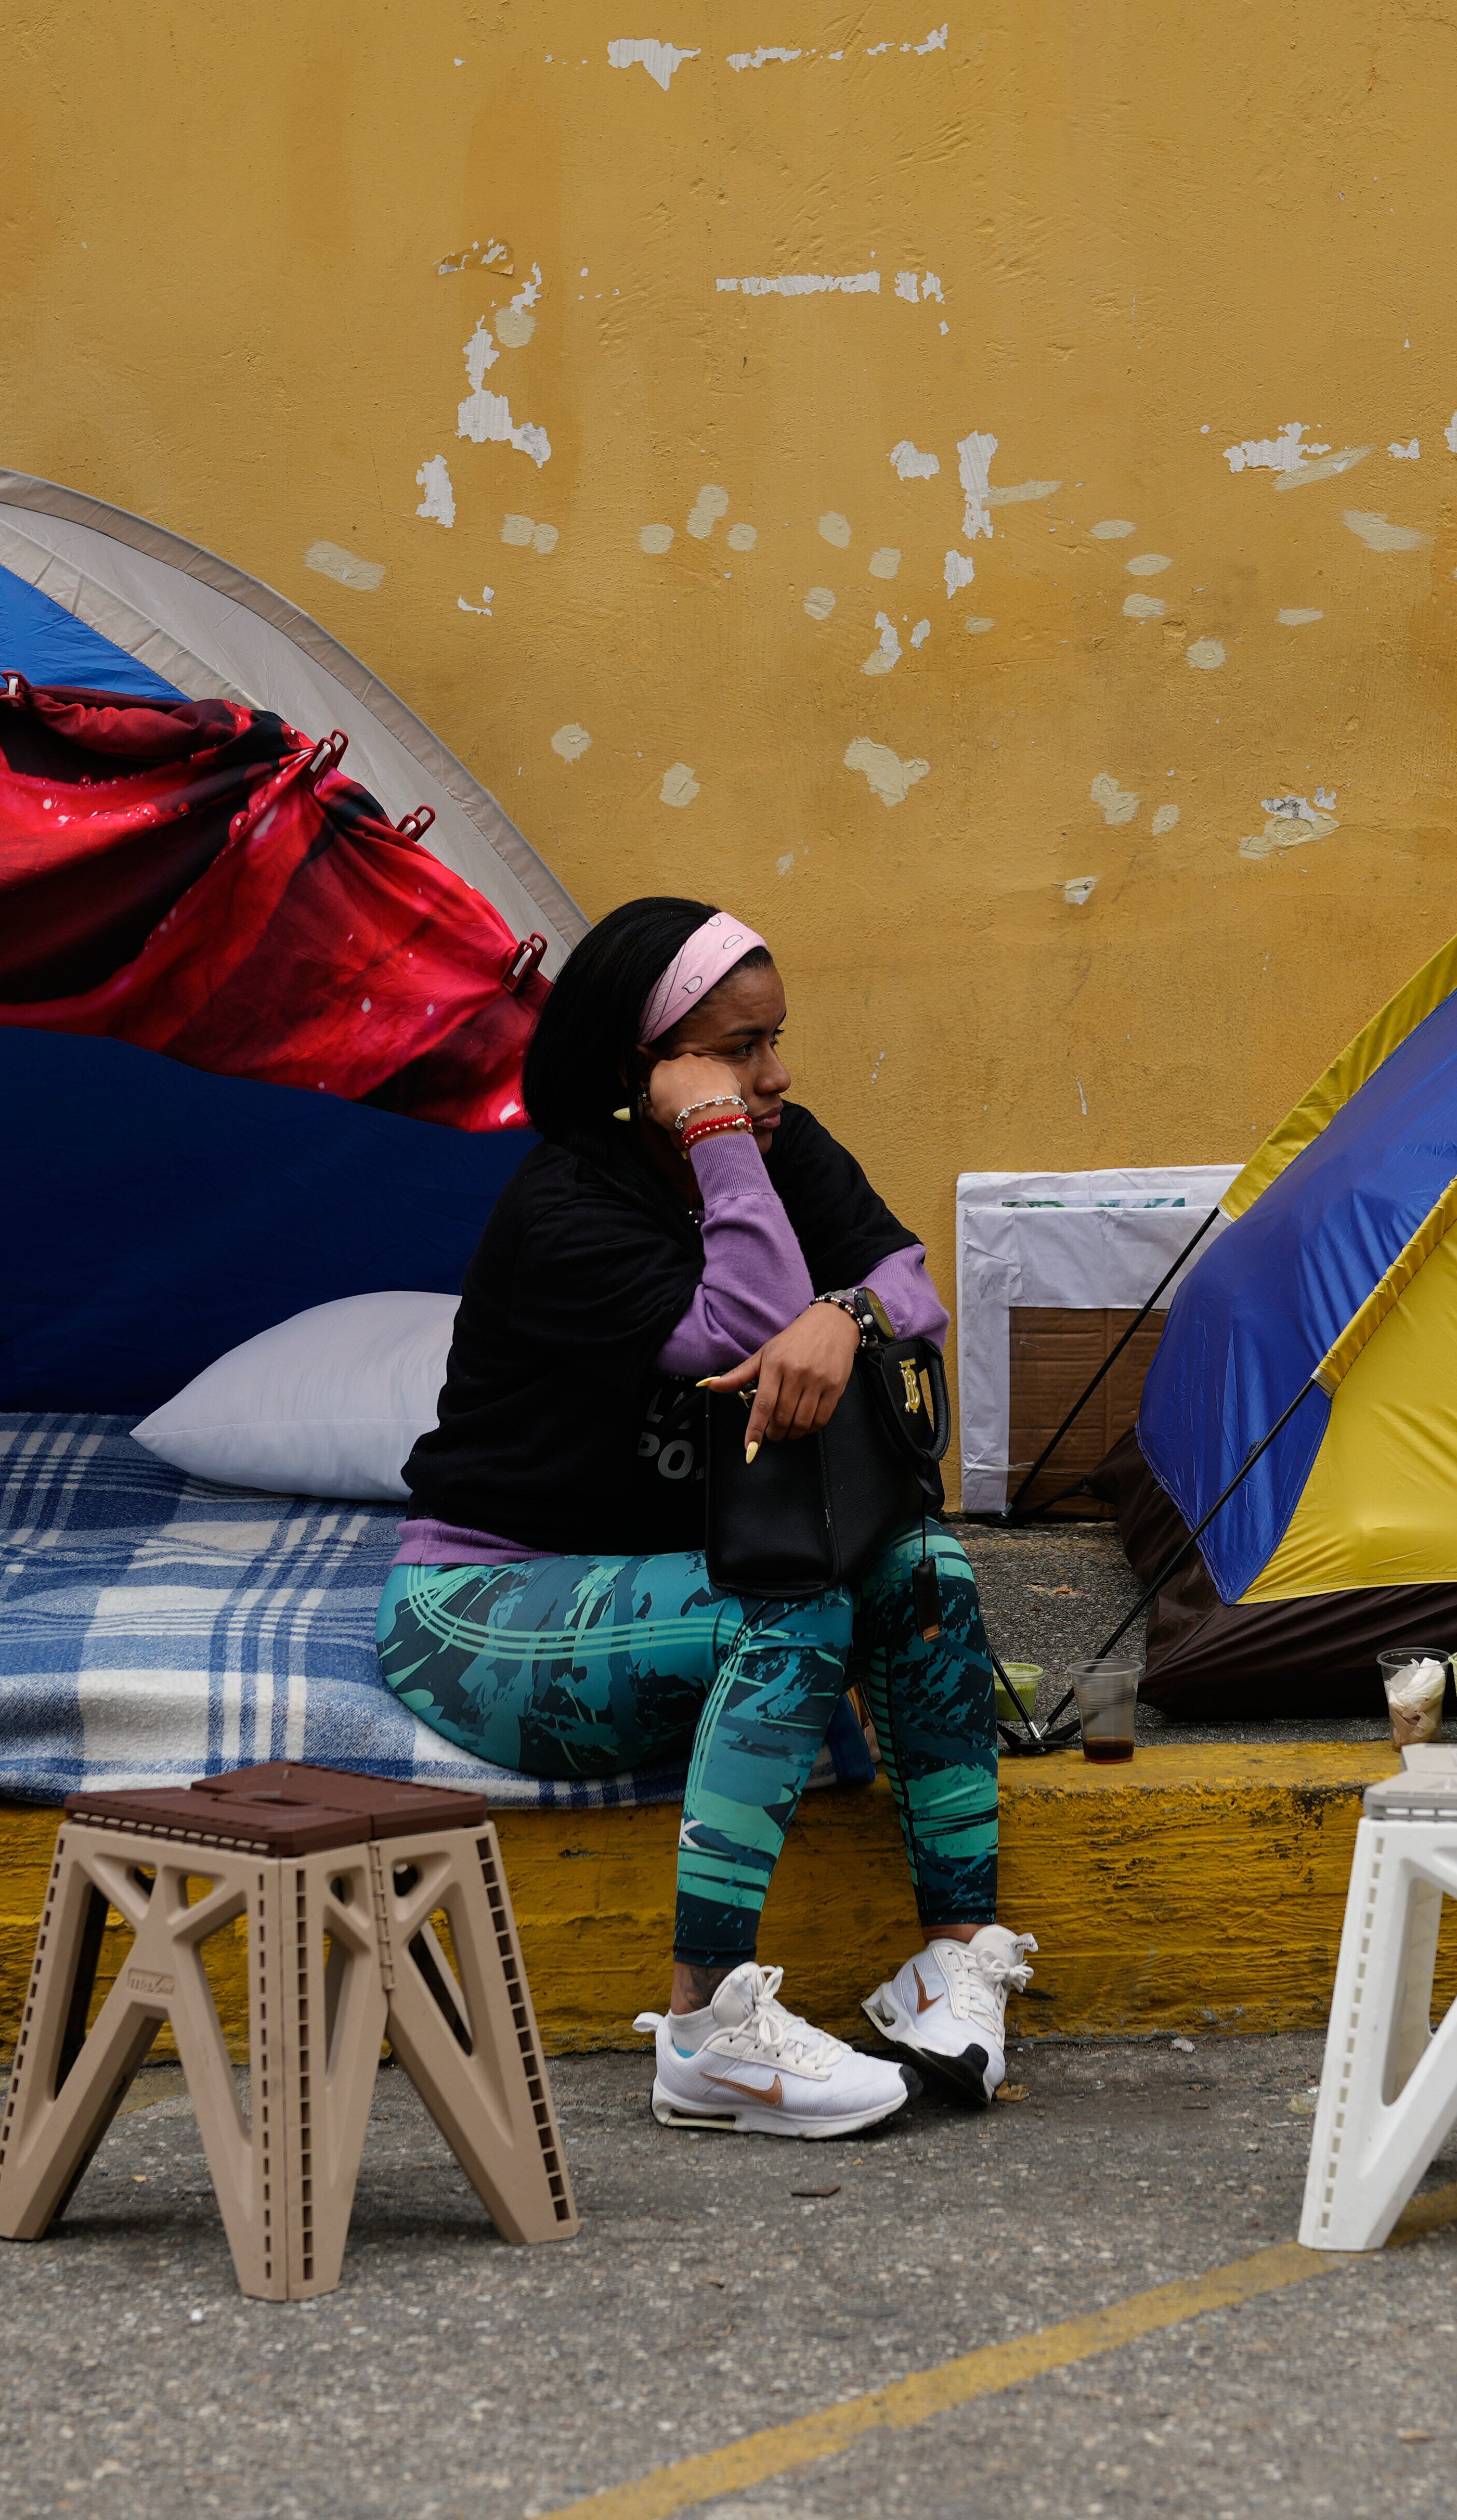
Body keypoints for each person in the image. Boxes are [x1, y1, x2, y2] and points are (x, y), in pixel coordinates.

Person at [380, 898, 1026, 2139]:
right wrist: (720, 1138)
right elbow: (747, 1322)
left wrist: (846, 1314)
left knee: (927, 1567)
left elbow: (907, 1290)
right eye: (737, 1051)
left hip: (684, 1574)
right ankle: (705, 2031)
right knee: (792, 1609)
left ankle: (951, 1960)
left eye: (776, 1040)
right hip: (486, 1608)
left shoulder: (788, 1140)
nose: (773, 1077)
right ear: (649, 1069)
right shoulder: (564, 1208)